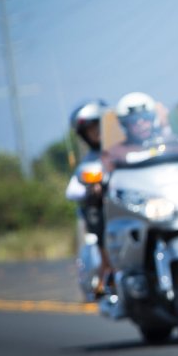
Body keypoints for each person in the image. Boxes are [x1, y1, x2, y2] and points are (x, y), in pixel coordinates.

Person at [66, 99, 110, 297]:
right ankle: (107, 271)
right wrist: (90, 189)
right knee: (95, 212)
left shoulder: (127, 149)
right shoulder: (89, 161)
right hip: (107, 209)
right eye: (91, 129)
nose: (96, 132)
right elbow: (72, 190)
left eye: (98, 126)